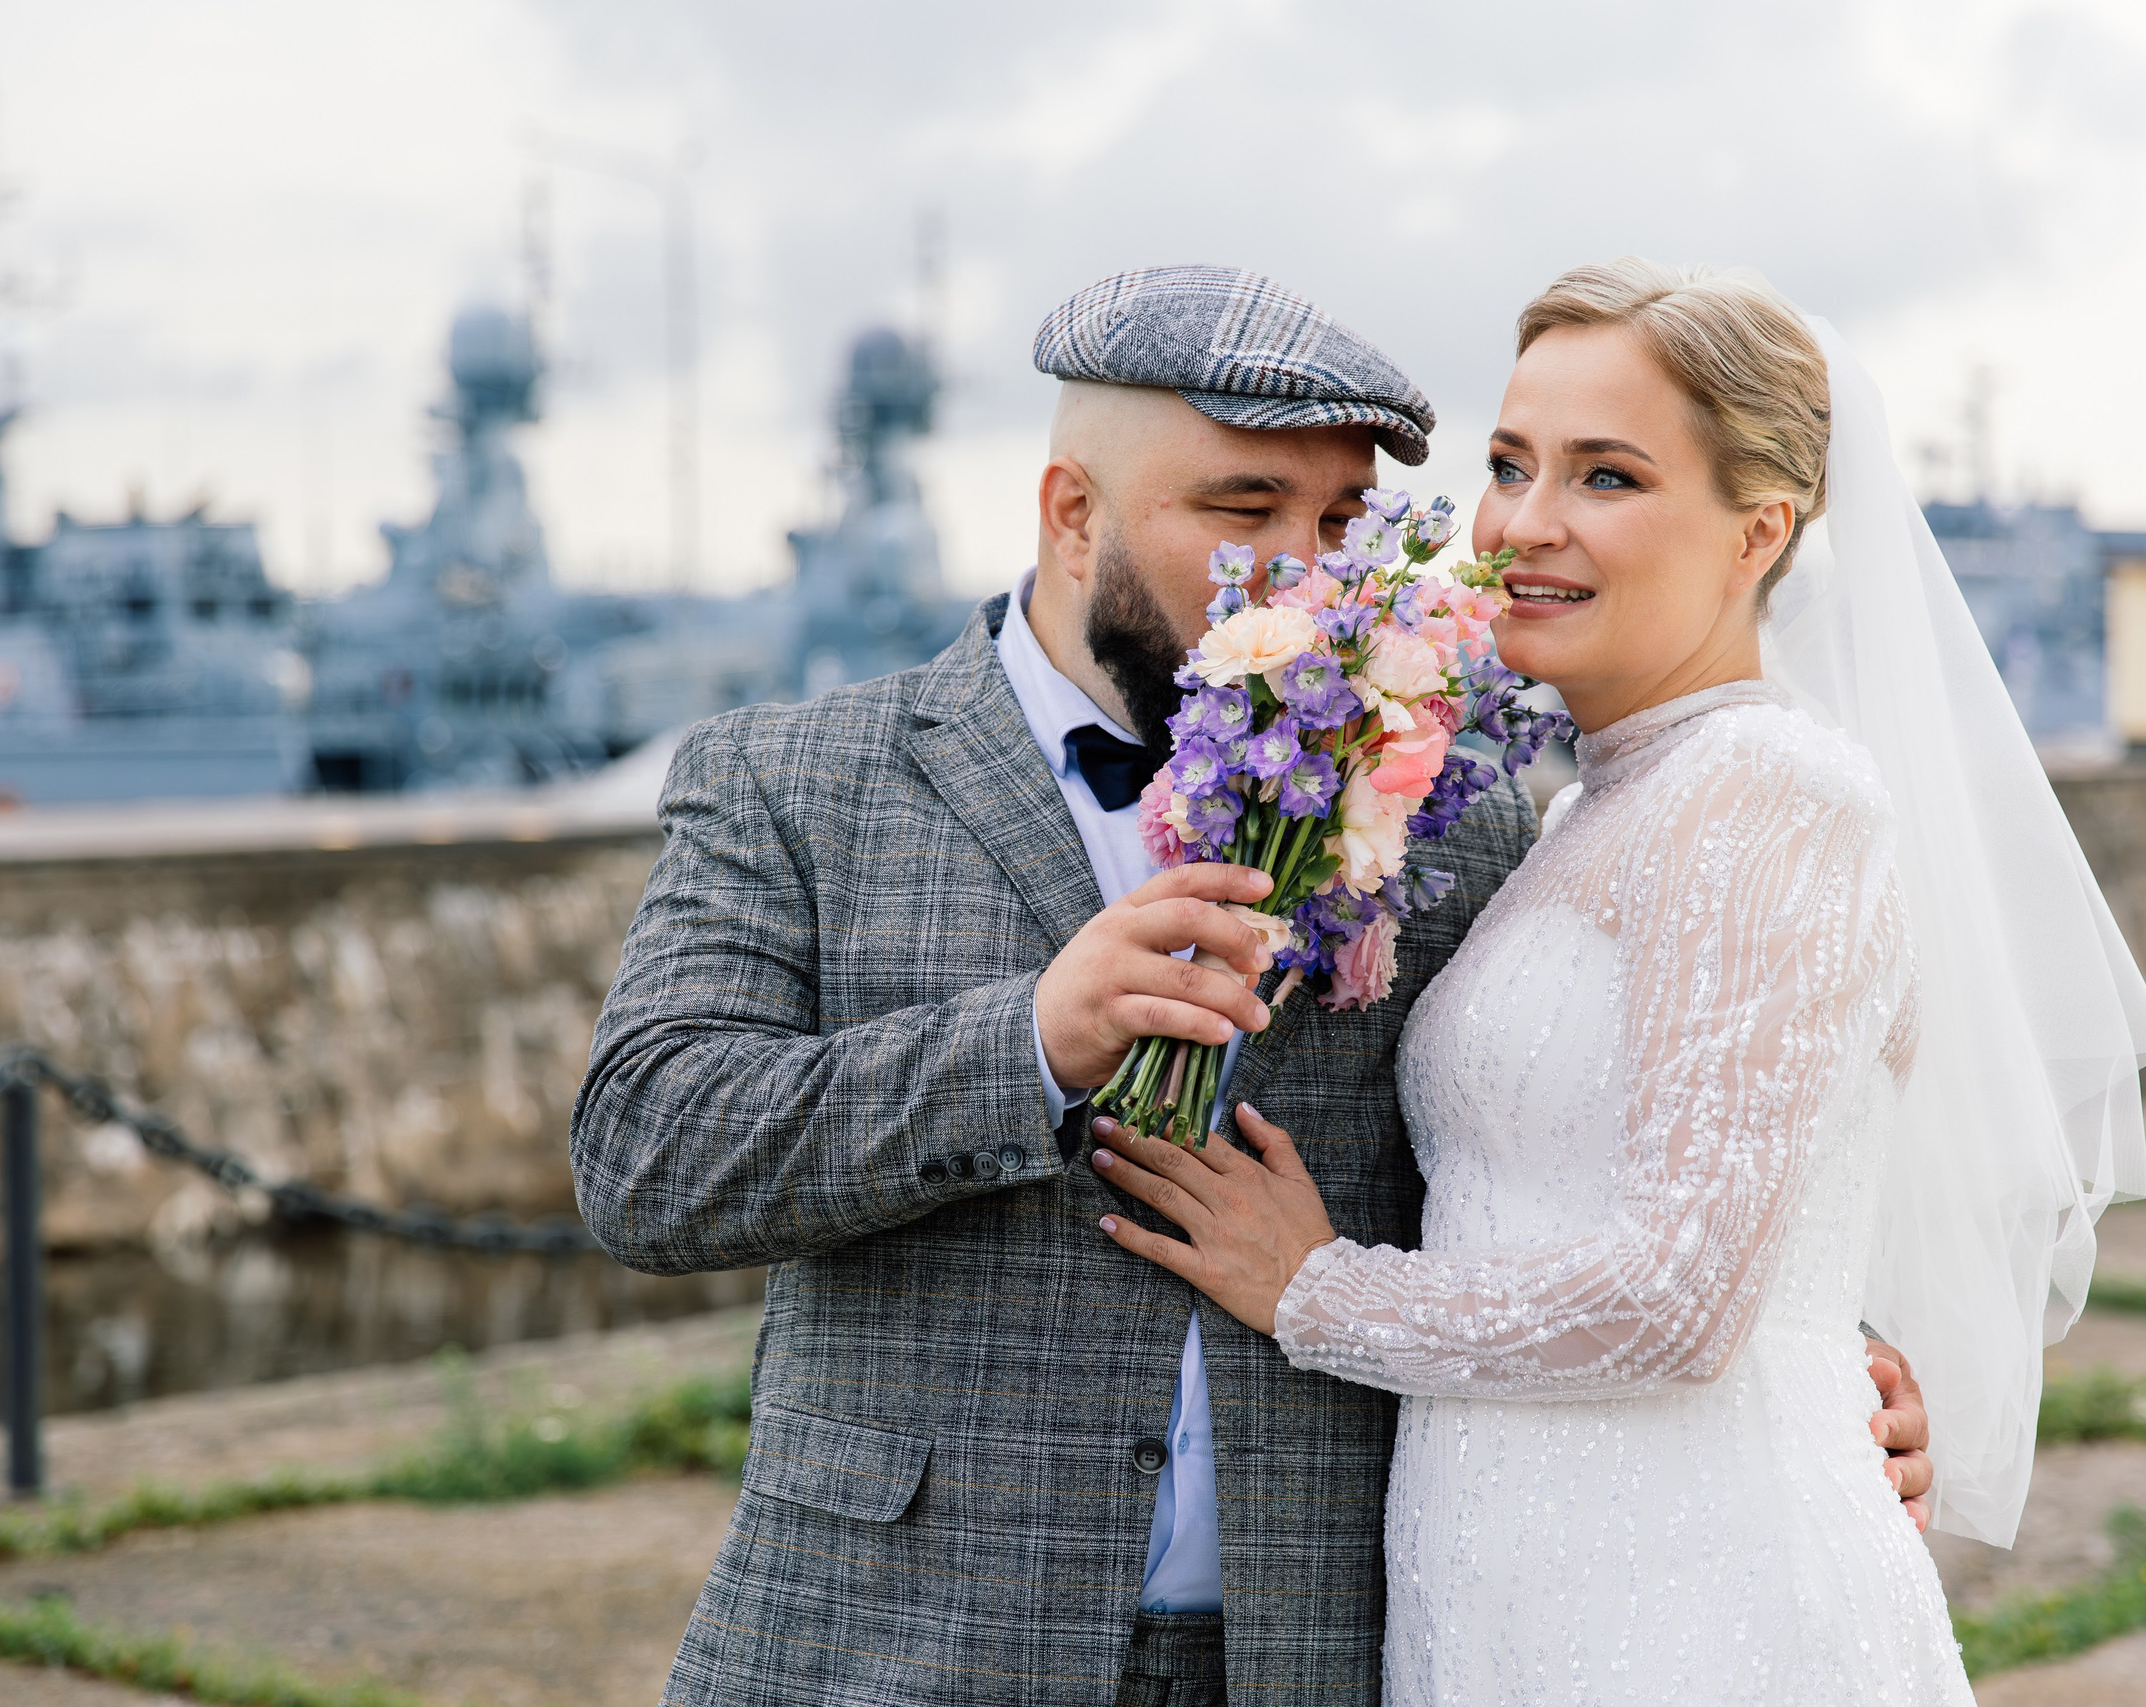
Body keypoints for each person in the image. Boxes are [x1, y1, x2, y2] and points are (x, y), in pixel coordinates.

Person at [570, 265, 1932, 1707]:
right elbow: (645, 1155)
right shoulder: (797, 781)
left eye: (1339, 522)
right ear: (1071, 512)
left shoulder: (1455, 820)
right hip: (892, 1652)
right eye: (1241, 513)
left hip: (1319, 1653)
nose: (1304, 572)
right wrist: (1031, 1041)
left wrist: (1815, 1351)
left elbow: (1561, 1143)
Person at [1088, 259, 2146, 1704]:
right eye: (1511, 463)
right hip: (1522, 1576)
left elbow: (1684, 1297)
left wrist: (1314, 1290)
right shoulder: (1584, 805)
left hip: (1692, 1595)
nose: (1526, 524)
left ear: (1758, 531)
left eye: (1608, 476)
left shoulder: (1772, 793)